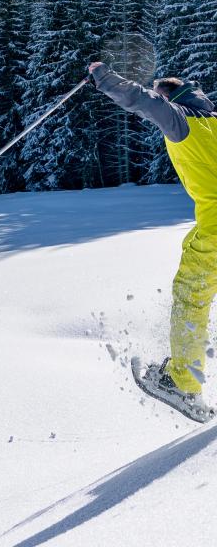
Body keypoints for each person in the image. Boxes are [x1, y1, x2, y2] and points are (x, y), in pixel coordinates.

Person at [89, 61, 217, 420]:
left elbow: (141, 100)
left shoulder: (182, 121)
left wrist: (102, 76)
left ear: (174, 98)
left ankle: (181, 383)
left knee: (191, 298)